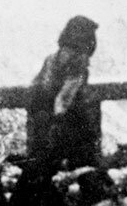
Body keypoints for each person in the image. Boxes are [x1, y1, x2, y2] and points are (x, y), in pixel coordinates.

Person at [28, 15, 102, 175]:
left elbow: (37, 87)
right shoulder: (78, 60)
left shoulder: (51, 59)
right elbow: (66, 96)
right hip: (65, 122)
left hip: (43, 119)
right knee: (83, 167)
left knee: (42, 168)